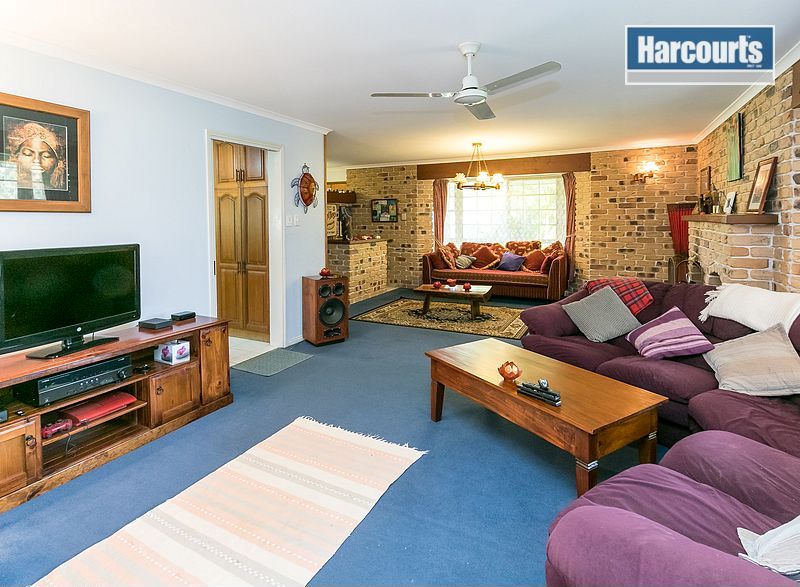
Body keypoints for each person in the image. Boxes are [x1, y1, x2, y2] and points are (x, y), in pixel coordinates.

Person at [5, 121, 66, 193]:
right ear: (16, 156)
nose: (37, 160)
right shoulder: (8, 189)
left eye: (46, 155)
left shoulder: (55, 193)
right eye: (28, 154)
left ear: (58, 162)